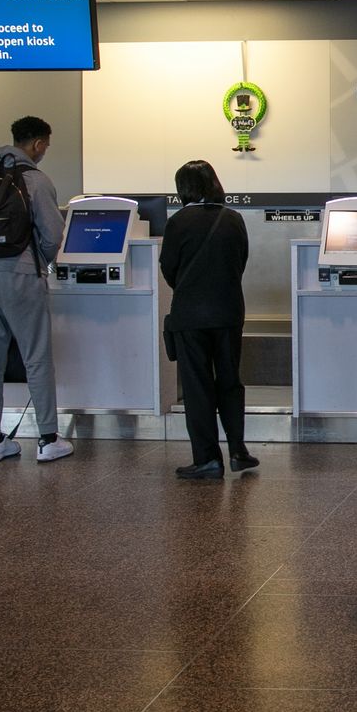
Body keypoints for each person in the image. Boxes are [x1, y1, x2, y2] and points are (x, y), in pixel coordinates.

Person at [0, 116, 70, 463]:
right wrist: (39, 263)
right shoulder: (36, 181)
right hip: (22, 274)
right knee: (36, 356)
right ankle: (47, 440)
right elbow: (53, 234)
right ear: (38, 144)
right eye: (46, 146)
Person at [160, 160, 253, 480]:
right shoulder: (234, 219)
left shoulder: (178, 222)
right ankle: (239, 450)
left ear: (183, 189)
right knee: (229, 381)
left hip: (190, 316)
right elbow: (241, 261)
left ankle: (207, 458)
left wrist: (190, 288)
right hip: (228, 312)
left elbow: (168, 267)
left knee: (198, 387)